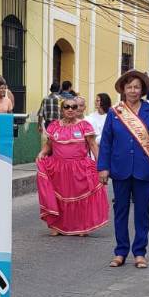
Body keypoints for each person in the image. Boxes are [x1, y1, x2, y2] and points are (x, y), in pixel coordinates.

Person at [98, 70, 149, 269]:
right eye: (129, 87)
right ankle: (120, 251)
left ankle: (140, 252)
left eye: (137, 87)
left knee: (142, 212)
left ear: (142, 89)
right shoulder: (115, 112)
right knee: (120, 211)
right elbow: (107, 141)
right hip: (120, 168)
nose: (133, 90)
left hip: (145, 169)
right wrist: (103, 167)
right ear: (123, 89)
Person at [36, 95, 108, 236]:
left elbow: (93, 146)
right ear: (62, 110)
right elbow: (49, 145)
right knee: (60, 197)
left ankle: (82, 226)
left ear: (78, 110)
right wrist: (42, 154)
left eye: (74, 107)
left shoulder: (84, 126)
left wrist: (102, 165)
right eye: (67, 107)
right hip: (58, 168)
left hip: (80, 168)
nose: (70, 109)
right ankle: (57, 225)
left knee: (81, 196)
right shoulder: (54, 126)